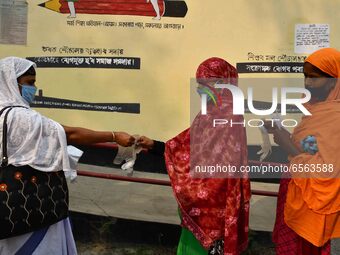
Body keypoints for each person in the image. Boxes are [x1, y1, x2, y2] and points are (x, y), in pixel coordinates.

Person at [0, 57, 135, 254]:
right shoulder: (20, 116)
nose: (34, 88)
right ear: (10, 82)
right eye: (29, 83)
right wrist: (114, 136)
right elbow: (70, 134)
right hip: (30, 205)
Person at [138, 57, 251, 255]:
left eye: (208, 84)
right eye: (200, 84)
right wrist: (155, 145)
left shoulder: (228, 115)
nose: (202, 90)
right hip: (197, 205)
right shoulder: (208, 113)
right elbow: (186, 146)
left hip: (215, 206)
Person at [267, 48, 340, 255]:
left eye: (314, 78)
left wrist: (285, 143)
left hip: (315, 205)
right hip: (296, 194)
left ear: (333, 81)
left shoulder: (336, 116)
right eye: (305, 76)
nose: (307, 83)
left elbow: (327, 169)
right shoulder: (316, 109)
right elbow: (311, 148)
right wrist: (282, 133)